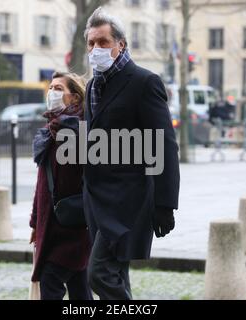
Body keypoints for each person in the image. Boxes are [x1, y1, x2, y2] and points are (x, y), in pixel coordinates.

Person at [83, 8, 180, 300]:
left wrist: (165, 203)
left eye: (102, 42)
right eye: (91, 43)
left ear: (120, 44)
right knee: (115, 275)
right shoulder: (92, 86)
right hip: (97, 202)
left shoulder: (144, 82)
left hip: (129, 201)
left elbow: (164, 144)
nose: (95, 49)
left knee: (98, 274)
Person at [29, 72, 93, 300]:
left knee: (51, 279)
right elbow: (42, 183)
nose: (51, 93)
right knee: (79, 284)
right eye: (51, 88)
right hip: (54, 223)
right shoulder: (50, 131)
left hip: (74, 224)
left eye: (58, 89)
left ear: (75, 98)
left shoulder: (80, 132)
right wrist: (35, 222)